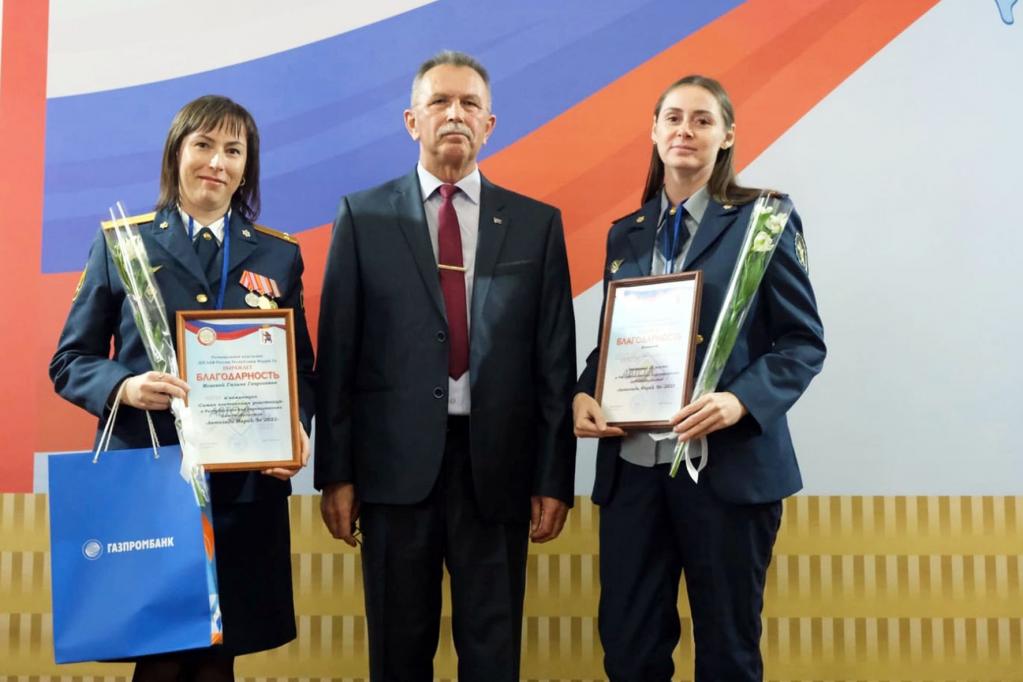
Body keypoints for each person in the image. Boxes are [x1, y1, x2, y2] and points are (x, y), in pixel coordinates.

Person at [315, 50, 576, 681]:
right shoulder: (363, 216)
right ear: (412, 121)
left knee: (493, 657)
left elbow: (554, 363)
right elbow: (338, 354)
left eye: (469, 104)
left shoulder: (536, 225)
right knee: (398, 655)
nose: (454, 115)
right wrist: (335, 474)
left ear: (490, 124)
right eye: (439, 102)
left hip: (498, 473)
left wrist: (554, 477)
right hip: (392, 474)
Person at [49, 95, 315, 681]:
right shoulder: (123, 243)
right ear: (176, 154)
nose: (216, 162)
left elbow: (300, 369)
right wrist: (125, 386)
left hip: (243, 490)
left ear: (246, 168)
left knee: (220, 661)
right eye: (204, 145)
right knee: (162, 660)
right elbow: (69, 361)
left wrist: (296, 426)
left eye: (233, 151)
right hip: (151, 484)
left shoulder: (280, 254)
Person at [573, 75, 826, 681]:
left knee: (728, 655)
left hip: (727, 473)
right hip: (634, 473)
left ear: (727, 135)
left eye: (702, 120)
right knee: (629, 652)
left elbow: (802, 342)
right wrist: (583, 391)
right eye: (674, 118)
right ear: (655, 131)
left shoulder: (763, 220)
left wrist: (740, 401)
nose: (685, 130)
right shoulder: (626, 232)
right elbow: (617, 343)